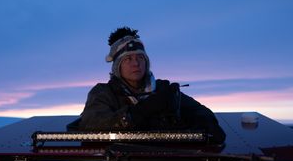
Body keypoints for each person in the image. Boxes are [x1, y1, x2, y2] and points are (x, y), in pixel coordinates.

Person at [71, 26, 226, 144]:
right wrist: (139, 112)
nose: (136, 63)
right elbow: (91, 125)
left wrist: (201, 126)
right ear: (117, 66)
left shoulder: (163, 90)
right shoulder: (103, 93)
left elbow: (203, 113)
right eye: (128, 59)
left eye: (140, 58)